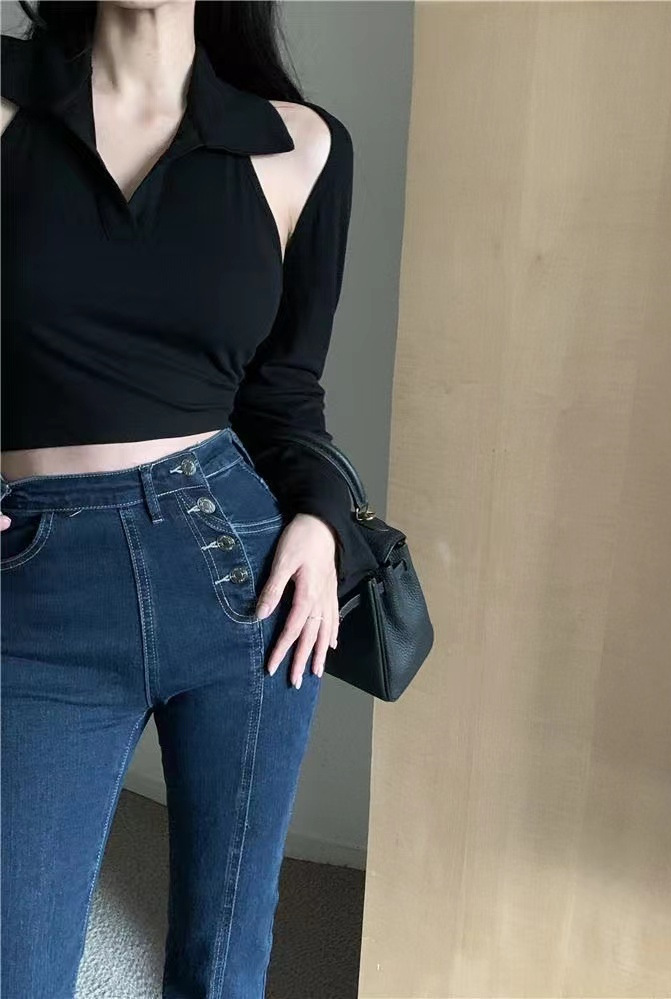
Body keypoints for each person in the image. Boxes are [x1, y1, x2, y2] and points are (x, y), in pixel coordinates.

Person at [0, 2, 357, 995]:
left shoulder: (300, 146)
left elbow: (286, 393)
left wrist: (322, 521)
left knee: (222, 961)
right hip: (33, 588)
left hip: (241, 575)